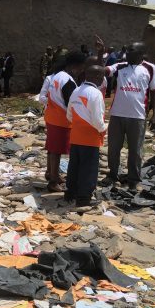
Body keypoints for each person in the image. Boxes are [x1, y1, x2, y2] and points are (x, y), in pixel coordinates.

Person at [97, 39, 155, 192]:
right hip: (117, 115)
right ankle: (113, 175)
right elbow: (101, 70)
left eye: (130, 50)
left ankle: (134, 180)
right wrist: (100, 54)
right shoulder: (120, 66)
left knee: (136, 150)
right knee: (113, 148)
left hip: (137, 116)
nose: (126, 52)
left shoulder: (150, 68)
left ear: (140, 54)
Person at [44, 51, 87, 192]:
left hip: (52, 116)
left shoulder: (57, 75)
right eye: (81, 68)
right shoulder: (68, 81)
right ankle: (53, 182)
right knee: (56, 151)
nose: (81, 72)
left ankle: (51, 173)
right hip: (61, 120)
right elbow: (71, 103)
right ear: (74, 66)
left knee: (52, 149)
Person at [65, 65, 107, 207]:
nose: (103, 79)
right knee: (88, 169)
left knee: (74, 165)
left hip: (76, 135)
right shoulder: (95, 94)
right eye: (101, 77)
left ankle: (70, 192)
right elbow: (97, 119)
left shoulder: (76, 91)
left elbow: (69, 114)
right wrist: (104, 128)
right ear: (95, 77)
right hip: (90, 137)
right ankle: (83, 197)